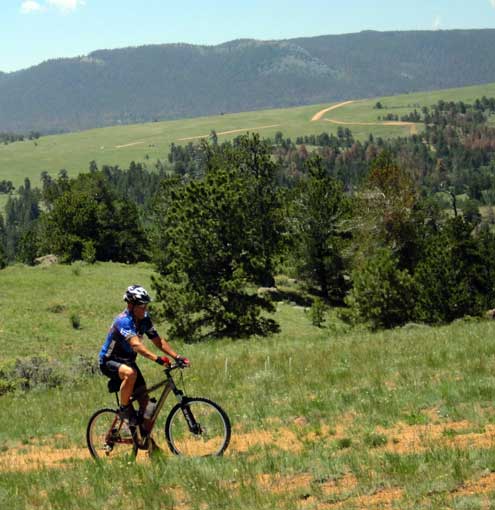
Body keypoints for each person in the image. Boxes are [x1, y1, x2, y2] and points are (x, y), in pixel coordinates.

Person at [99, 284, 189, 425]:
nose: (145, 309)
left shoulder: (144, 319)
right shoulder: (123, 321)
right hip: (109, 361)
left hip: (128, 362)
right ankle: (124, 410)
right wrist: (157, 359)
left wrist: (177, 356)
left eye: (146, 305)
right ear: (131, 305)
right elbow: (136, 345)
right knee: (130, 373)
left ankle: (145, 441)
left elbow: (158, 341)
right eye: (142, 306)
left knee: (148, 408)